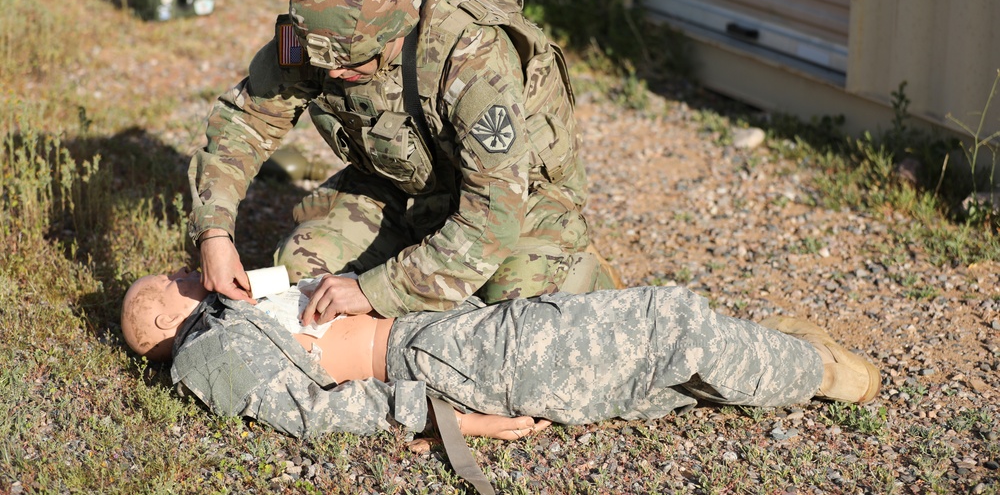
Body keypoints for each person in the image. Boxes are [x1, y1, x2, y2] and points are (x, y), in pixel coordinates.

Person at [189, 0, 618, 321]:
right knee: (303, 274)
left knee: (511, 306)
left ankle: (585, 277)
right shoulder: (320, 39)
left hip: (520, 199)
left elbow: (492, 217)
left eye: (353, 63)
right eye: (325, 63)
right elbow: (246, 121)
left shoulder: (471, 57)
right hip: (402, 185)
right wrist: (214, 232)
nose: (334, 74)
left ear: (396, 31)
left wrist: (375, 290)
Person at [121, 265, 881, 443]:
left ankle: (775, 353)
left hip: (443, 330)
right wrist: (458, 423)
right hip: (444, 360)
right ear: (160, 319)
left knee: (649, 374)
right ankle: (821, 369)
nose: (185, 269)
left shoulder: (238, 305)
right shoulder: (210, 351)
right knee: (663, 324)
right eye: (170, 280)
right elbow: (324, 412)